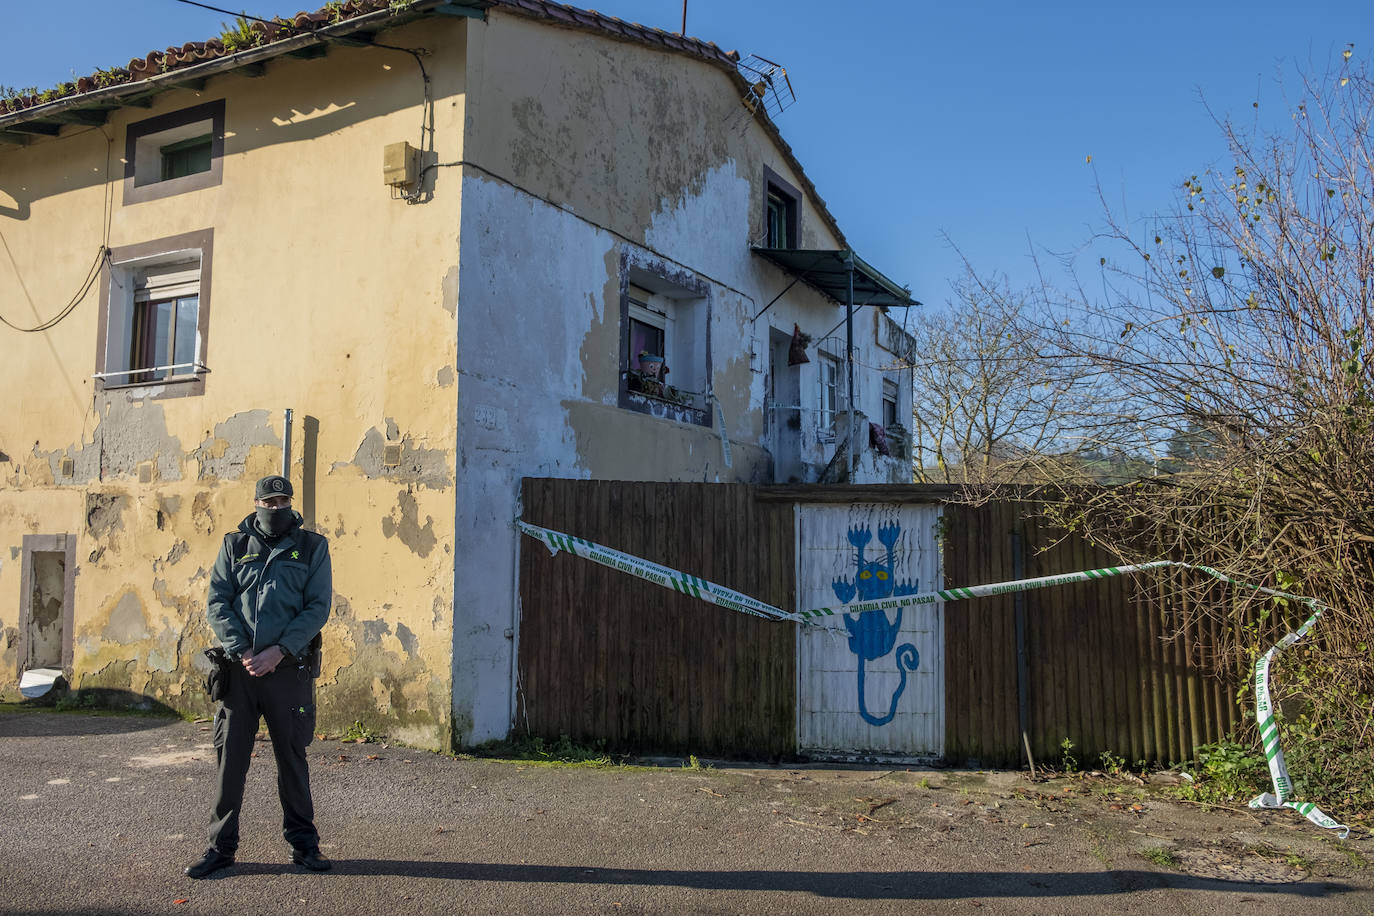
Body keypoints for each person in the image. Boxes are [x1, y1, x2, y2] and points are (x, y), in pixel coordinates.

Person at [185, 475, 333, 878]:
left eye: (282, 499)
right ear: (256, 504)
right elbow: (218, 600)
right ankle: (220, 848)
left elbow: (317, 607)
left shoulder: (312, 547)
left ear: (291, 504)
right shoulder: (235, 546)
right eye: (268, 501)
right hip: (240, 672)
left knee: (292, 762)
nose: (275, 506)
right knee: (230, 764)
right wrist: (245, 650)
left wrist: (279, 650)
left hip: (288, 672)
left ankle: (304, 847)